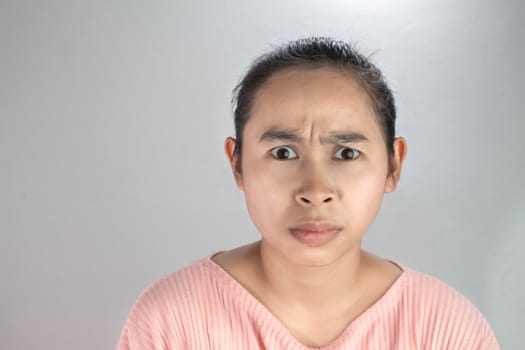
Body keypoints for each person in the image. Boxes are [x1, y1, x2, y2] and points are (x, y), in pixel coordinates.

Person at [116, 37, 500, 349]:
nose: (315, 191)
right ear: (237, 163)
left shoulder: (445, 330)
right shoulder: (172, 322)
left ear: (393, 164)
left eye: (347, 153)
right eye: (283, 153)